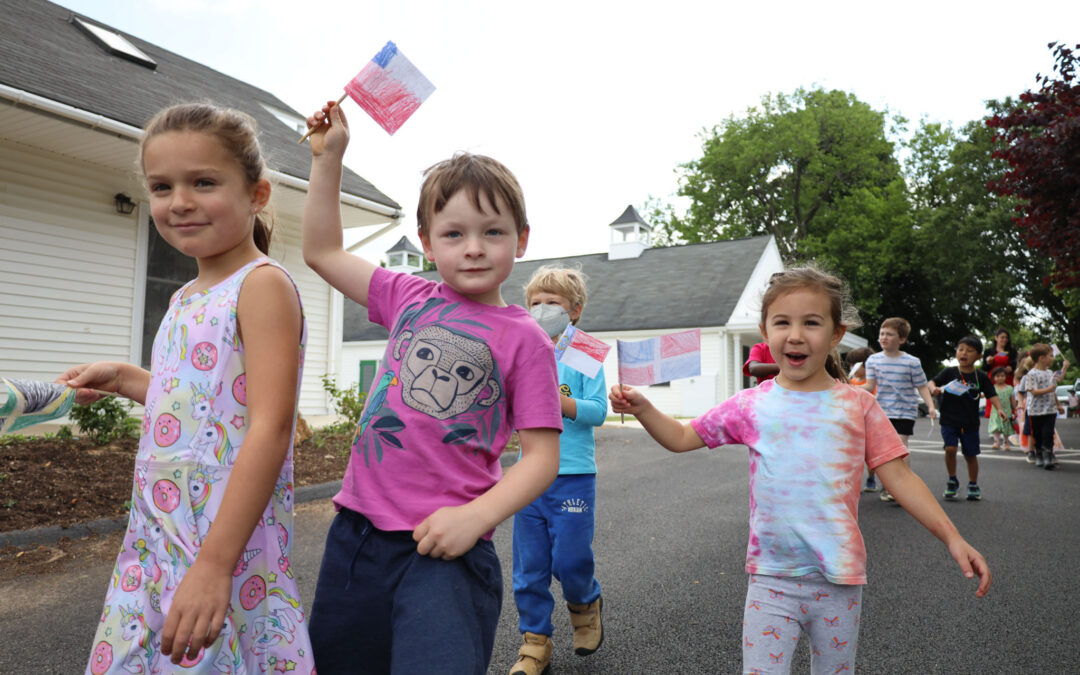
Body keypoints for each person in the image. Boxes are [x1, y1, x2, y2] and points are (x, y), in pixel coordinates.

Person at [609, 265, 991, 674]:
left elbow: (900, 476)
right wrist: (645, 409)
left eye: (811, 322)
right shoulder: (751, 404)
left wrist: (952, 537)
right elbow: (683, 437)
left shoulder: (858, 406)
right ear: (764, 331)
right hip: (770, 579)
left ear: (836, 334)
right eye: (782, 322)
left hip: (839, 580)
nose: (795, 335)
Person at [300, 101, 562, 674]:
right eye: (454, 233)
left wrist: (475, 518)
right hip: (358, 537)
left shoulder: (527, 341)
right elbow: (321, 252)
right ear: (426, 241)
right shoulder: (406, 296)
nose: (474, 247)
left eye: (493, 232)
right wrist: (328, 159)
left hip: (447, 547)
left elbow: (542, 458)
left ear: (521, 239)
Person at [58, 103, 314, 672]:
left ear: (257, 194)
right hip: (158, 536)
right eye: (161, 186)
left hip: (221, 542)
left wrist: (215, 566)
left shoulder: (262, 286)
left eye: (203, 182)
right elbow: (203, 406)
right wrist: (123, 378)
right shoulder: (184, 297)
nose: (179, 201)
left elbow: (269, 427)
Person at [509, 266, 608, 675]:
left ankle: (585, 606)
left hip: (573, 475)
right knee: (529, 568)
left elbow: (598, 411)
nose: (542, 309)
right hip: (528, 476)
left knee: (570, 560)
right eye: (535, 302)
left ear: (575, 310)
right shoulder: (523, 347)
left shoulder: (584, 351)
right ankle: (535, 643)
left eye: (553, 302)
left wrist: (559, 402)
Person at [861, 318, 937, 502]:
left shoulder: (912, 362)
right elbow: (869, 386)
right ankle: (888, 486)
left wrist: (931, 406)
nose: (884, 337)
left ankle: (902, 486)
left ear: (901, 339)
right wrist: (848, 388)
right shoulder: (872, 360)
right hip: (881, 411)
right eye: (882, 333)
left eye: (889, 334)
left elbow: (921, 386)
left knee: (900, 448)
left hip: (905, 411)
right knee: (883, 451)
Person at [928, 336, 1004, 501]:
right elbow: (931, 382)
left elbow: (992, 394)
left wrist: (999, 409)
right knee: (950, 449)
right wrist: (933, 389)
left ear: (979, 356)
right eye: (961, 349)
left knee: (970, 455)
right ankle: (952, 480)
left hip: (970, 422)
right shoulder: (949, 372)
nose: (964, 353)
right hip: (949, 420)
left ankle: (973, 484)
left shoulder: (980, 376)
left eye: (969, 351)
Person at [1018, 344, 1066, 469]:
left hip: (1050, 410)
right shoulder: (1031, 374)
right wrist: (1049, 389)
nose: (1053, 358)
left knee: (1048, 434)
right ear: (1041, 358)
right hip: (1035, 411)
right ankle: (1039, 455)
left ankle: (1048, 457)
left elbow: (1058, 380)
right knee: (1037, 435)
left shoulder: (1049, 372)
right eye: (1051, 356)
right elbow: (1033, 392)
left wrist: (1064, 368)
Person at [844, 346, 880, 492]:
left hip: (869, 421)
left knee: (870, 454)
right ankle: (852, 481)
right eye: (850, 365)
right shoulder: (851, 381)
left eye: (855, 364)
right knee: (852, 454)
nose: (852, 368)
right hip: (853, 421)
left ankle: (871, 478)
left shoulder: (873, 383)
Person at [988, 366, 1017, 450]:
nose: (1000, 378)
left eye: (1002, 376)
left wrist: (1015, 409)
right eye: (998, 376)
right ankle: (996, 442)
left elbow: (1013, 400)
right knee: (996, 427)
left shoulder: (1009, 388)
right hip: (995, 411)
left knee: (1006, 427)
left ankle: (1005, 442)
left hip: (1007, 411)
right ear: (993, 377)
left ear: (1006, 376)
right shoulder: (992, 388)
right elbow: (987, 396)